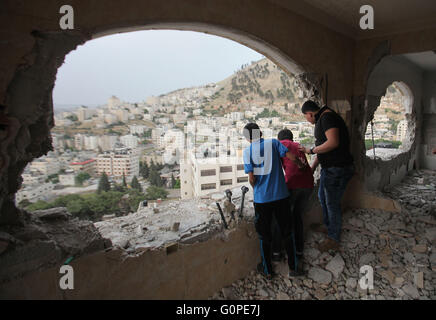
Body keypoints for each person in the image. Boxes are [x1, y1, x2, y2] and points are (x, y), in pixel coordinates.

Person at [243, 122, 305, 279]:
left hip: (262, 199)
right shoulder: (273, 143)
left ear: (247, 138)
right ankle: (294, 268)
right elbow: (291, 157)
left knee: (264, 235)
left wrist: (256, 187)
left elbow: (252, 178)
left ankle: (268, 270)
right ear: (261, 132)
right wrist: (301, 165)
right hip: (281, 196)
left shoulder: (247, 151)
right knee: (287, 231)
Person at [298, 100, 354, 253]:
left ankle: (333, 238)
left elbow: (333, 142)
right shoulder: (324, 117)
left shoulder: (327, 118)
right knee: (323, 197)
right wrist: (313, 167)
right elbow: (323, 147)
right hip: (330, 168)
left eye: (306, 117)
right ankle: (329, 226)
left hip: (337, 168)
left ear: (310, 113)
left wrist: (310, 150)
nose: (307, 120)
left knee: (331, 203)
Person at [271, 129, 313, 274]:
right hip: (308, 185)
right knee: (297, 218)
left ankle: (276, 253)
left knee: (280, 218)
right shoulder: (297, 145)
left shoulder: (280, 144)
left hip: (293, 185)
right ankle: (299, 252)